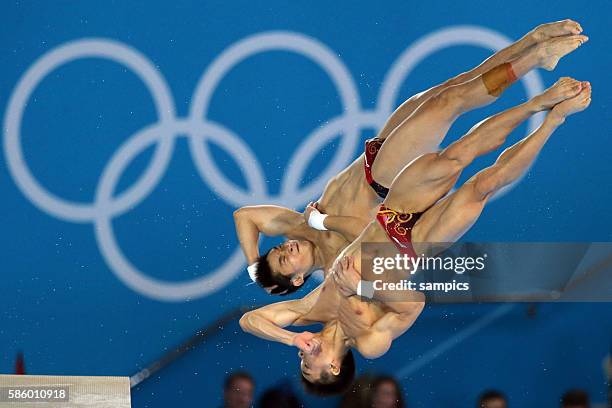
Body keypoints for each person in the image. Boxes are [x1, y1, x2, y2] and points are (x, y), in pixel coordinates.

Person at [239, 79, 592, 394]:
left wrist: (290, 338)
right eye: (307, 366)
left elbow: (249, 321)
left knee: (456, 155)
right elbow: (413, 303)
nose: (304, 356)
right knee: (483, 185)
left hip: (389, 220)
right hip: (416, 243)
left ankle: (537, 103)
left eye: (300, 360)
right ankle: (553, 121)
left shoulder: (309, 310)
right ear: (333, 367)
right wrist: (361, 289)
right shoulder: (369, 342)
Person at [234, 20, 587, 295]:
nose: (287, 247)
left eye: (278, 248)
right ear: (297, 279)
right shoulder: (333, 263)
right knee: (450, 104)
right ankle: (534, 61)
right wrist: (323, 224)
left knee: (455, 87)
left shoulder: (296, 226)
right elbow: (367, 232)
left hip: (375, 154)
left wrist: (254, 266)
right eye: (284, 258)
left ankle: (533, 41)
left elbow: (245, 216)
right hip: (387, 181)